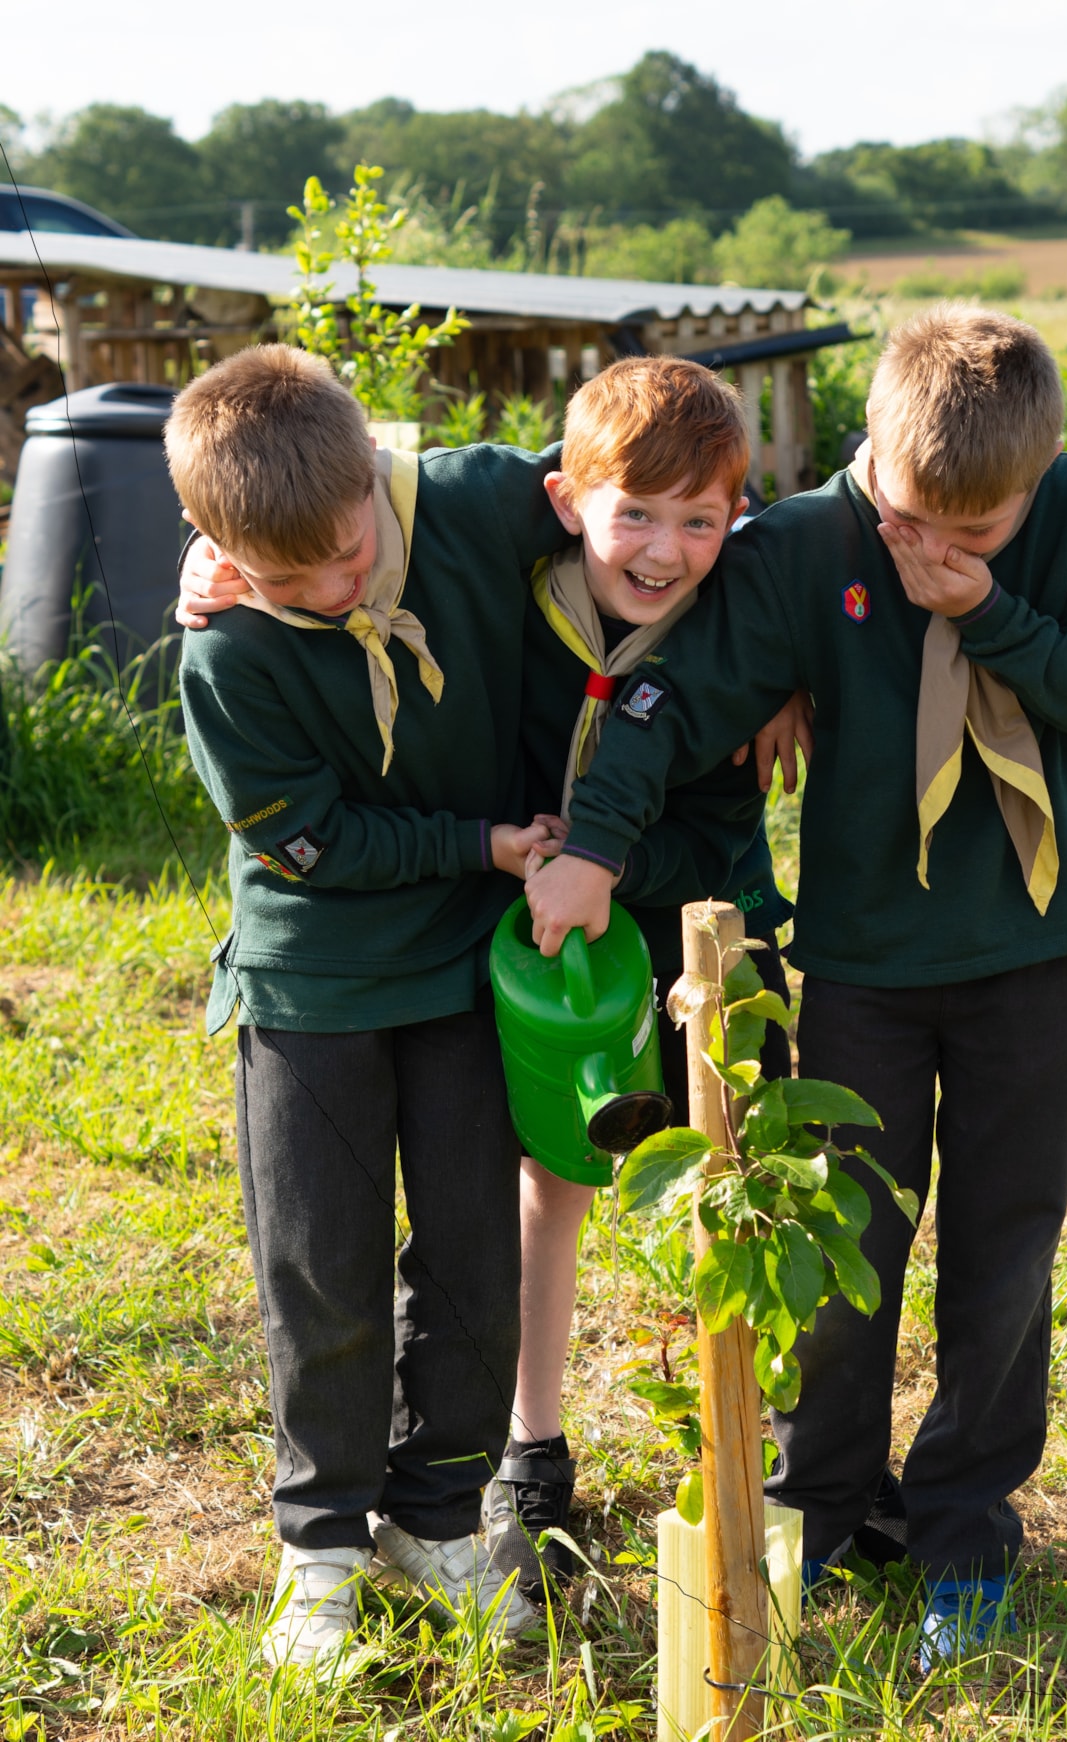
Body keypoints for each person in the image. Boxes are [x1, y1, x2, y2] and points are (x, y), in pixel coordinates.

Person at [521, 305, 1067, 1666]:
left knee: (1006, 1254)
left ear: (1037, 481)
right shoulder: (807, 545)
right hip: (866, 964)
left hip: (1031, 957)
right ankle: (827, 1505)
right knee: (847, 1246)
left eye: (982, 529)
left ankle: (965, 1526)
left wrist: (987, 607)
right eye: (919, 518)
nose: (938, 546)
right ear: (874, 451)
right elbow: (666, 697)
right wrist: (590, 846)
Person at [166, 344, 569, 1668]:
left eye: (345, 556)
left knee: (471, 1256)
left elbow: (631, 497)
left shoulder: (475, 500)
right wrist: (480, 843)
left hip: (461, 969)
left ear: (375, 486)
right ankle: (322, 1544)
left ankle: (439, 1514)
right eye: (286, 581)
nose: (332, 593)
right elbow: (314, 842)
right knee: (321, 1263)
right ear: (218, 550)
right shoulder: (227, 654)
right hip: (316, 976)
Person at [480, 356, 796, 1601]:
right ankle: (531, 1444)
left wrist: (615, 861)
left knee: (731, 1170)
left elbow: (718, 823)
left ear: (737, 516)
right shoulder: (513, 590)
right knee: (549, 1177)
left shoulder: (740, 622)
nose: (664, 549)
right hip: (554, 944)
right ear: (570, 501)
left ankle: (743, 1429)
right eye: (638, 515)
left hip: (702, 934)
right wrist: (208, 565)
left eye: (700, 520)